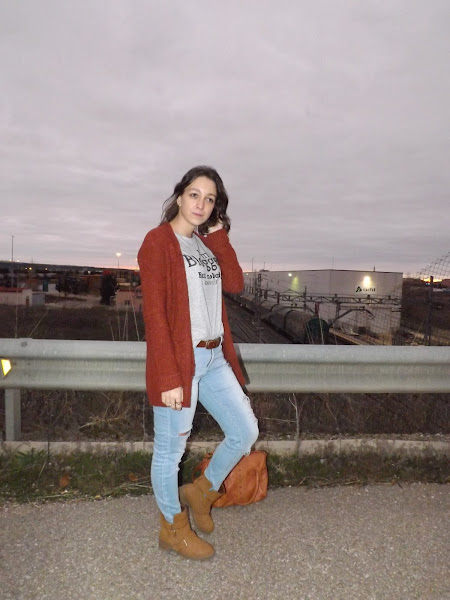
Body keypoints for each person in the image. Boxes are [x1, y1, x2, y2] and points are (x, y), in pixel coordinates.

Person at [137, 165, 259, 560]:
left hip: (214, 357)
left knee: (244, 431)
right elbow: (155, 314)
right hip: (180, 361)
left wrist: (219, 235)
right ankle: (172, 528)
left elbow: (235, 283)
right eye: (194, 194)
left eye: (210, 199)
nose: (201, 204)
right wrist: (168, 376)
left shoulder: (205, 247)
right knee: (169, 452)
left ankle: (202, 492)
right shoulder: (158, 242)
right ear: (179, 196)